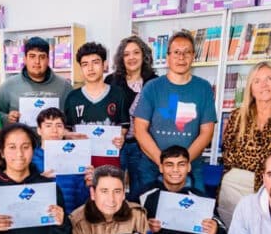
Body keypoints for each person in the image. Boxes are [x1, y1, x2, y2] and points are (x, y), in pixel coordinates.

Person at [219, 61, 271, 227]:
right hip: (235, 185)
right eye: (257, 81)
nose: (263, 85)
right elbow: (227, 150)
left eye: (269, 78)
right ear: (250, 87)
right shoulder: (237, 116)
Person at [133, 31, 216, 195]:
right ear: (168, 57)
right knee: (147, 215)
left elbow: (207, 132)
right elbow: (139, 130)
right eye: (176, 52)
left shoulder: (204, 88)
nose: (181, 57)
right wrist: (164, 164)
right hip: (152, 164)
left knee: (196, 213)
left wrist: (181, 165)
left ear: (193, 56)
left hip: (191, 165)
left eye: (187, 52)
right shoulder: (152, 87)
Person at [105, 36, 158, 200]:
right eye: (126, 54)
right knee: (112, 187)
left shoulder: (154, 82)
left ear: (144, 55)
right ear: (121, 58)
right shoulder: (111, 81)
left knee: (141, 188)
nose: (131, 57)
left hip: (142, 145)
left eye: (136, 52)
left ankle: (138, 222)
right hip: (115, 144)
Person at [63, 41, 128, 168]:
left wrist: (121, 137)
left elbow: (124, 126)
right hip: (80, 162)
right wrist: (69, 136)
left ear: (104, 64)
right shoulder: (72, 97)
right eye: (85, 64)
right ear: (81, 68)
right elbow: (66, 129)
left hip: (110, 162)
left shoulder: (118, 94)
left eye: (95, 62)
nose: (90, 68)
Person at [0, 36, 73, 126]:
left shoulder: (65, 86)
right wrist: (7, 118)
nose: (37, 61)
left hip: (53, 139)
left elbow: (72, 120)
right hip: (20, 139)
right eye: (32, 56)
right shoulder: (8, 86)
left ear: (48, 60)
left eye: (42, 57)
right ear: (25, 59)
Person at [32, 107, 90, 214]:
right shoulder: (30, 158)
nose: (54, 130)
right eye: (48, 125)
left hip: (70, 218)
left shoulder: (77, 157)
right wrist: (38, 182)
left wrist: (88, 183)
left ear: (64, 130)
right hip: (41, 218)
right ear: (39, 130)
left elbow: (82, 199)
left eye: (59, 126)